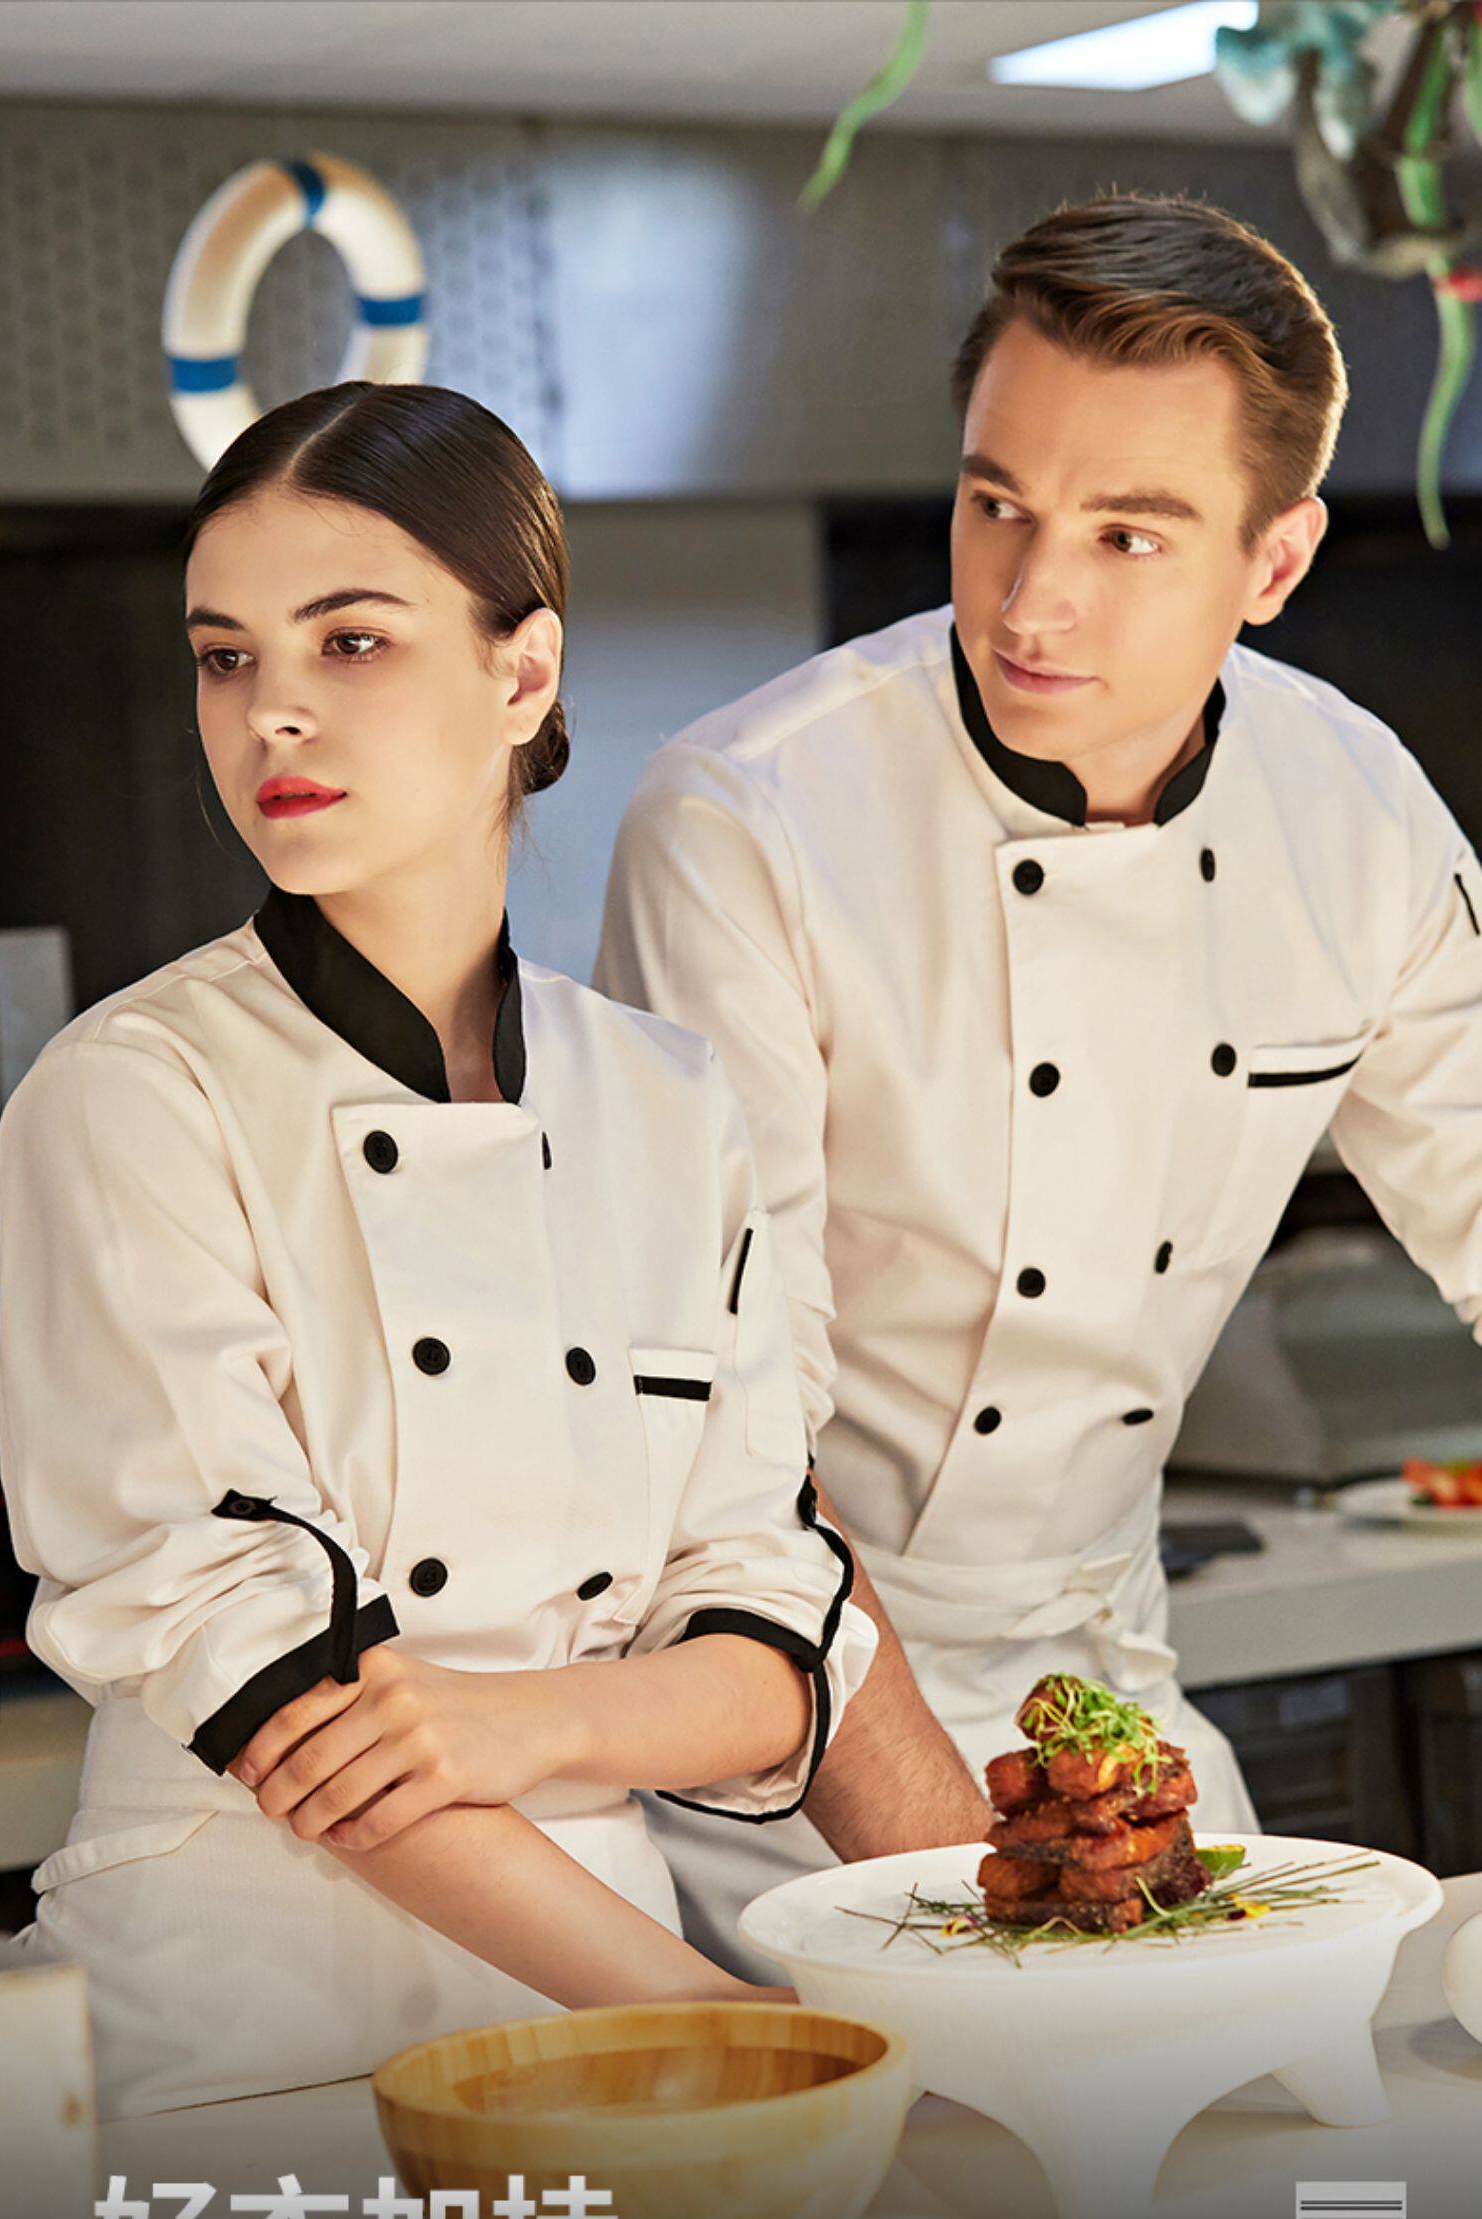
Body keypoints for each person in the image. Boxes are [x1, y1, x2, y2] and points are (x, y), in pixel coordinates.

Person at [595, 191, 1482, 1976]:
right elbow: (733, 1462)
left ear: (1276, 564)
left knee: (1305, 2110)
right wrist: (1008, 1923)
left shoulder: (1354, 813)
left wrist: (1084, 1871)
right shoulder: (750, 821)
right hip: (775, 1720)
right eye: (996, 502)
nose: (1028, 597)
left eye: (1127, 535)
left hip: (1102, 1674)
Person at [0, 381, 876, 2116]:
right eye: (226, 656)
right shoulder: (133, 1090)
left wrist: (523, 1725)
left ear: (522, 674)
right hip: (247, 2038)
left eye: (351, 641)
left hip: (611, 2028)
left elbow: (775, 1637)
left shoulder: (666, 1098)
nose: (271, 712)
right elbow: (267, 1676)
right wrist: (721, 2018)